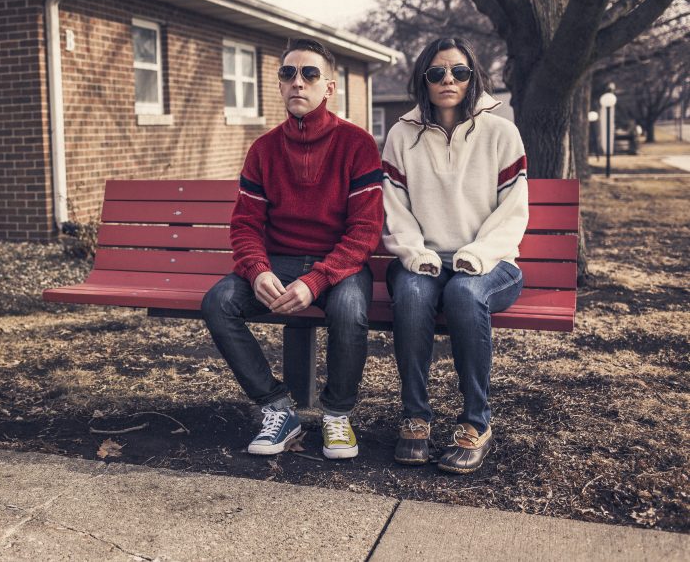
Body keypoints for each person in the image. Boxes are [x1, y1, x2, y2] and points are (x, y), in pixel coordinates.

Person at [201, 38, 384, 460]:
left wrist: (317, 279)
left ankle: (337, 413)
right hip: (278, 262)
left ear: (329, 88)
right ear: (280, 85)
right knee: (219, 302)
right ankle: (277, 409)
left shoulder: (357, 145)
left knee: (349, 309)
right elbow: (246, 225)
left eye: (309, 74)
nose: (297, 82)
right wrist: (257, 269)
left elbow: (364, 232)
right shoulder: (264, 149)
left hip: (341, 264)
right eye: (288, 74)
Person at [382, 37, 528, 474]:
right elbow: (395, 210)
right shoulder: (401, 136)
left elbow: (512, 212)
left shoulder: (501, 132)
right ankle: (415, 416)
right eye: (437, 72)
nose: (448, 79)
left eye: (459, 72)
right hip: (422, 261)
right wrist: (416, 255)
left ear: (472, 77)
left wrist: (478, 256)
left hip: (492, 264)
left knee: (465, 295)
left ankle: (476, 423)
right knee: (411, 295)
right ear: (423, 80)